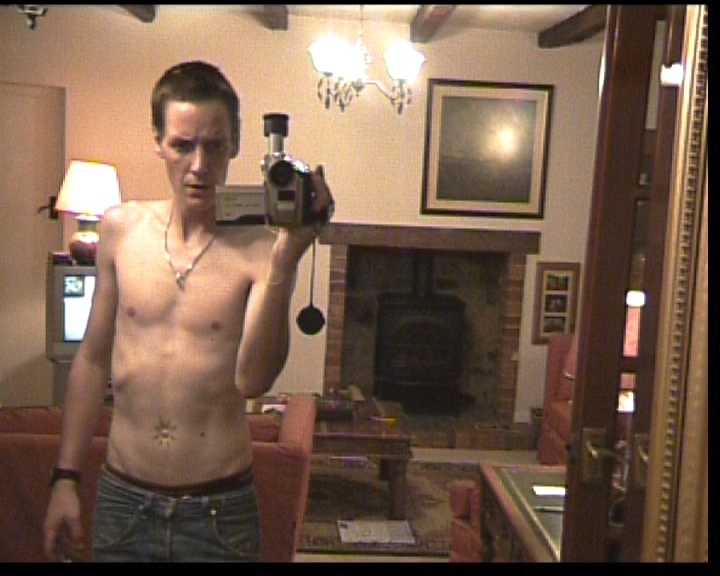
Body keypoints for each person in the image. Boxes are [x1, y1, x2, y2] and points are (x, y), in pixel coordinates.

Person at [42, 60, 334, 562]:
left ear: (235, 145)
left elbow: (253, 379)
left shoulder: (262, 247)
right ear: (158, 141)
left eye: (215, 146)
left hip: (219, 513)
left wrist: (287, 260)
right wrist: (65, 477)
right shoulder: (120, 229)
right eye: (182, 145)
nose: (199, 165)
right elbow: (91, 359)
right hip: (123, 503)